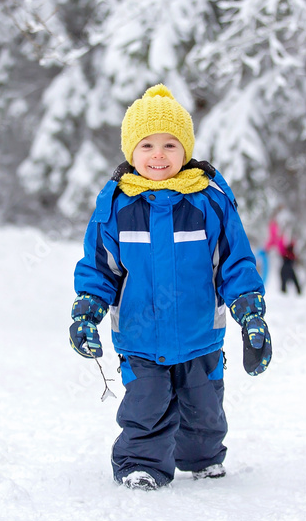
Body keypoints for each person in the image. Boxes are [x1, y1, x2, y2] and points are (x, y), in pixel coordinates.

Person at [69, 83, 272, 490]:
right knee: (145, 405)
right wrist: (87, 311)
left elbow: (235, 262)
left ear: (186, 150)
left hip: (201, 332)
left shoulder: (209, 203)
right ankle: (140, 464)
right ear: (131, 152)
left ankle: (203, 459)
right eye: (146, 145)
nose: (158, 155)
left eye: (169, 145)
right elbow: (100, 268)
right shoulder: (117, 206)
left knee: (204, 407)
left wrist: (250, 313)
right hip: (140, 336)